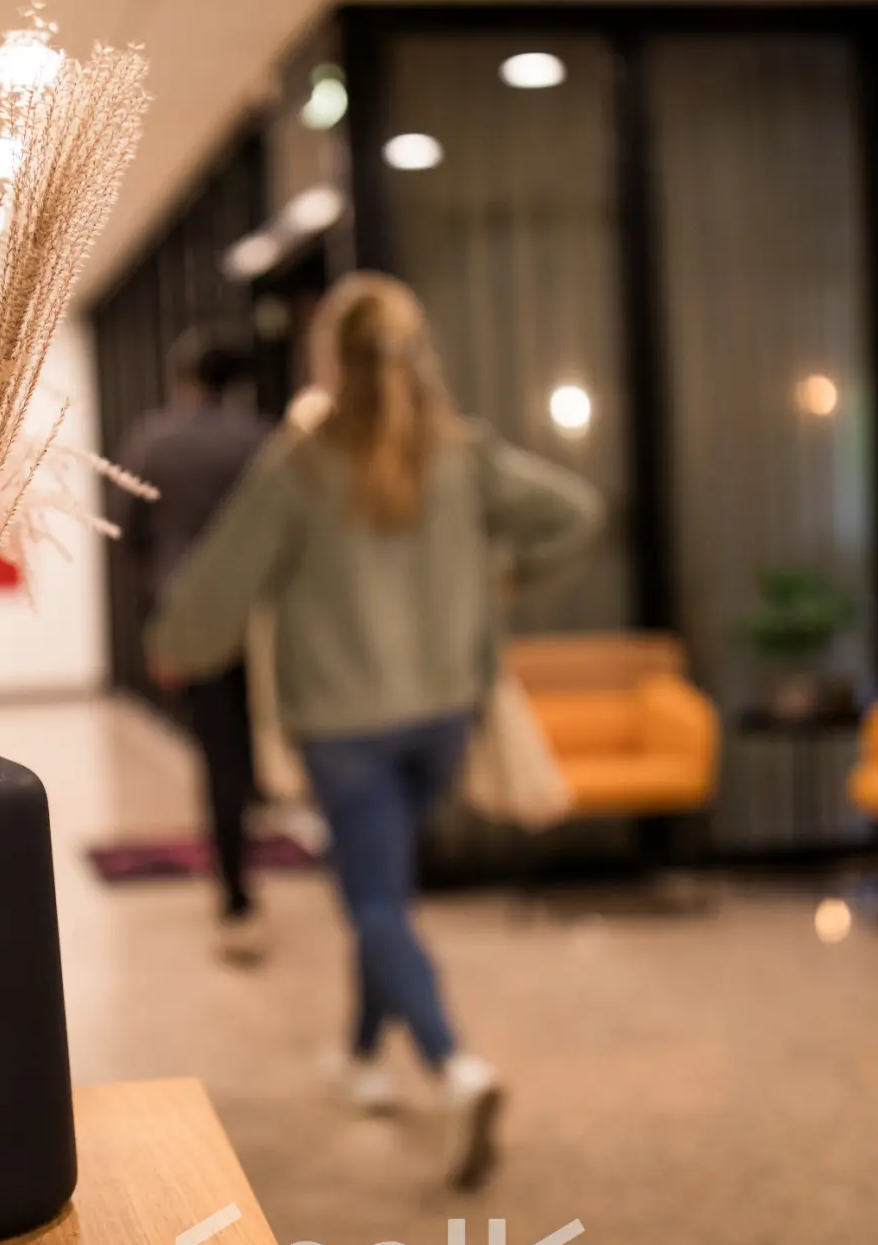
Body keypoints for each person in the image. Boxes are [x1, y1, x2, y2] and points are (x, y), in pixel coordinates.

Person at [147, 273, 602, 1190]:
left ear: (329, 360)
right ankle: (361, 1056)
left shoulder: (302, 464)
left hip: (345, 727)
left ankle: (455, 1069)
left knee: (374, 902)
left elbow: (220, 584)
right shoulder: (460, 453)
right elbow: (575, 513)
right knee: (381, 890)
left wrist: (177, 647)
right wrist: (497, 584)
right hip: (440, 716)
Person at [120, 327, 271, 965]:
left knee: (218, 753)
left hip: (186, 615)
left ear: (184, 377)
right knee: (258, 741)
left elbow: (128, 532)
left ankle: (235, 889)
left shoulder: (153, 441)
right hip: (255, 613)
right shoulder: (261, 441)